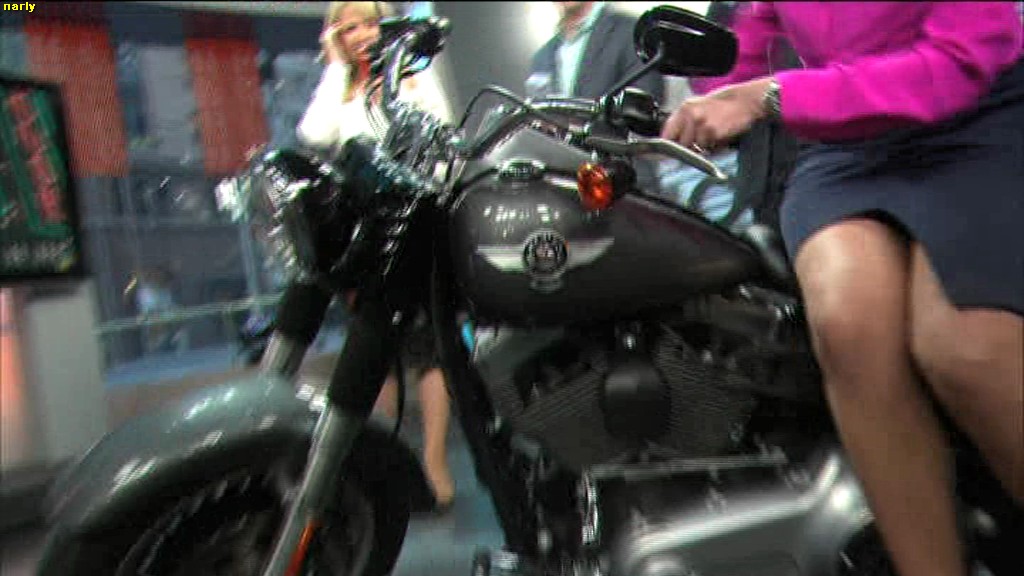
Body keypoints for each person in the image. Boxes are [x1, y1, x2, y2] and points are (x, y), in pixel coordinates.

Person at [662, 3, 1023, 575]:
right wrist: (707, 91)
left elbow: (961, 60)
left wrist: (771, 95)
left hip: (975, 123)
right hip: (847, 146)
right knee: (847, 326)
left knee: (963, 349)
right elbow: (739, 58)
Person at [296, 0, 456, 511]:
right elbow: (314, 135)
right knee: (375, 353)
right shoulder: (340, 87)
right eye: (349, 28)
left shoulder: (412, 73)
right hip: (363, 239)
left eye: (369, 23)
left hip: (414, 228)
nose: (362, 34)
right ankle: (392, 461)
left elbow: (442, 131)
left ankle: (434, 460)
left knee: (427, 350)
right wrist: (334, 67)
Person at [527, 1, 665, 194]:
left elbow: (644, 112)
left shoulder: (633, 32)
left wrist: (568, 125)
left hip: (623, 186)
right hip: (564, 188)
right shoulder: (543, 56)